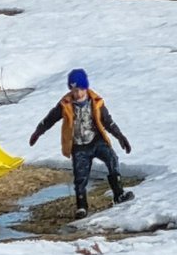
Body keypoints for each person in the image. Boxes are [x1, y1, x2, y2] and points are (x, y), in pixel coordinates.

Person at [28, 68, 133, 220]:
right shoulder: (65, 104)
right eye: (73, 90)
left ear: (85, 88)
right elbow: (50, 119)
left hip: (96, 141)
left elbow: (108, 121)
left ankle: (119, 194)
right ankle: (82, 206)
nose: (76, 93)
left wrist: (120, 136)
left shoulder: (96, 102)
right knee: (80, 176)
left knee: (112, 159)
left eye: (79, 90)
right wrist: (38, 132)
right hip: (78, 146)